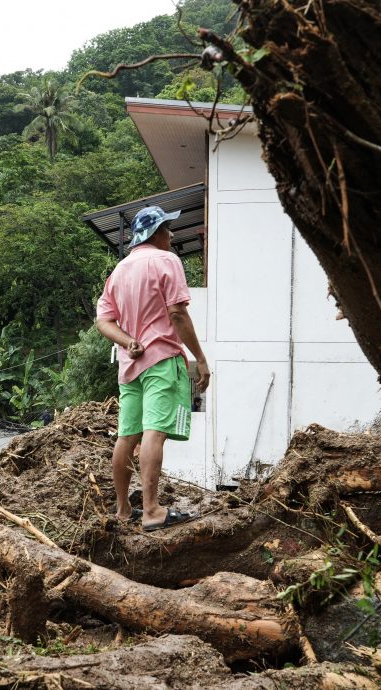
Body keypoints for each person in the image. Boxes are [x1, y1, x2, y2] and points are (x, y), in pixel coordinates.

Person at [95, 205, 210, 531]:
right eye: (167, 228)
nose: (172, 235)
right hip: (161, 360)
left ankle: (122, 510)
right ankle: (151, 511)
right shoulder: (166, 261)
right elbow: (176, 314)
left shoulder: (119, 271)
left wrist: (128, 340)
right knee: (154, 433)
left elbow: (103, 320)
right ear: (156, 232)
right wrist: (199, 358)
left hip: (130, 367)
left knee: (127, 436)